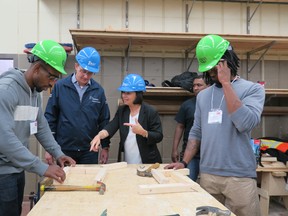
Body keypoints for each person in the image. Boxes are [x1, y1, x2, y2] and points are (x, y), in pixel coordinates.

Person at [165, 34, 265, 216]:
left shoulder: (253, 89)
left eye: (214, 67)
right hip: (209, 174)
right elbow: (196, 132)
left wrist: (226, 83)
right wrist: (183, 162)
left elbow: (245, 123)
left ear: (227, 61)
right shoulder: (203, 96)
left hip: (239, 176)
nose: (211, 72)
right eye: (208, 69)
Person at [0, 39, 76, 216]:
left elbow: (41, 126)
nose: (52, 84)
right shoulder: (7, 90)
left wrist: (58, 153)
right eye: (51, 77)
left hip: (16, 168)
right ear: (36, 69)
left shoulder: (34, 94)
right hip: (2, 173)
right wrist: (41, 167)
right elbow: (4, 137)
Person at [44, 47, 110, 164]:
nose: (86, 76)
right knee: (65, 181)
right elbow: (50, 118)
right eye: (83, 71)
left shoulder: (98, 90)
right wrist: (49, 148)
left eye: (90, 73)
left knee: (88, 182)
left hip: (89, 150)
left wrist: (105, 147)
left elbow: (104, 120)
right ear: (76, 66)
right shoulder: (60, 86)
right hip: (64, 149)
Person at [90, 74, 163, 164]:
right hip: (128, 162)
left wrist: (143, 132)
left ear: (138, 94)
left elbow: (159, 136)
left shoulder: (150, 111)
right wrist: (99, 136)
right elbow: (111, 126)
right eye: (123, 92)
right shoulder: (122, 110)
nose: (124, 96)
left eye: (128, 93)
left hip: (148, 162)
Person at [171, 75, 209, 181]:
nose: (195, 88)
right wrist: (174, 149)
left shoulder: (214, 104)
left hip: (209, 154)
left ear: (209, 86)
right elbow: (180, 127)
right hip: (190, 154)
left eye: (199, 85)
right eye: (194, 85)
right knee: (188, 181)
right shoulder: (187, 105)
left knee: (209, 186)